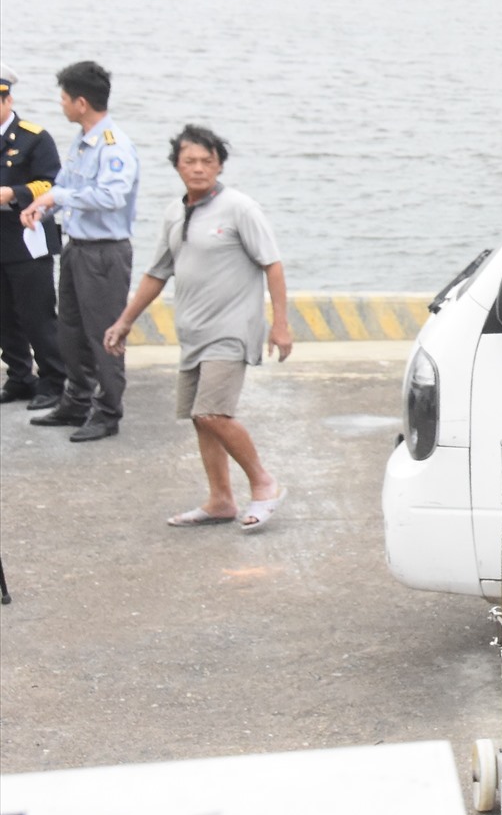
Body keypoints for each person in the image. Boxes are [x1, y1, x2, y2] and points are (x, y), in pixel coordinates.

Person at [103, 124, 291, 529]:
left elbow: (272, 265)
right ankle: (221, 500)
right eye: (190, 161)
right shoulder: (175, 211)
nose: (199, 168)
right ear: (177, 166)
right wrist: (125, 321)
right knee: (198, 416)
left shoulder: (240, 208)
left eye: (208, 161)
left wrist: (281, 325)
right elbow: (157, 273)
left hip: (232, 329)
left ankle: (264, 484)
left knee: (212, 413)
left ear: (220, 165)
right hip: (193, 333)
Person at [22, 61, 139, 442]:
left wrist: (61, 196)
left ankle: (108, 412)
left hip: (104, 253)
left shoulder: (113, 146)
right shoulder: (81, 141)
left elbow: (111, 196)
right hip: (76, 248)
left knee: (104, 334)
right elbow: (64, 185)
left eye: (64, 98)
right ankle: (77, 400)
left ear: (82, 102)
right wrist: (43, 205)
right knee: (70, 330)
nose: (61, 105)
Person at [0, 63, 67, 407]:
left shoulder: (33, 137)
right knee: (4, 316)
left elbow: (52, 183)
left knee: (37, 314)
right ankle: (19, 377)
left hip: (26, 236)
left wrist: (14, 193)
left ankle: (54, 380)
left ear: (7, 100)